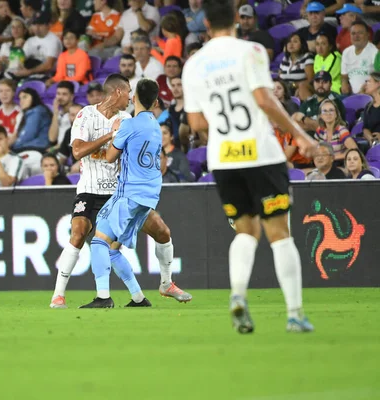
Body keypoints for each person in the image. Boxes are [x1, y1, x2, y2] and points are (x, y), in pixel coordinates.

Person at [183, 0, 318, 333]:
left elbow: (197, 121)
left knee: (245, 231)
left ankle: (238, 295)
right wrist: (300, 135)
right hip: (261, 155)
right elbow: (263, 98)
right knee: (278, 233)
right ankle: (294, 313)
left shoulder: (193, 65)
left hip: (224, 158)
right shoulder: (251, 51)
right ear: (235, 20)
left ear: (206, 25)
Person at [49, 74, 190, 309]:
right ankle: (58, 295)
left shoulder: (128, 119)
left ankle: (148, 292)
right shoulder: (86, 115)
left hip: (119, 192)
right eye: (128, 92)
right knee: (79, 232)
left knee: (160, 232)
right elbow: (77, 152)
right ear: (117, 92)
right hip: (90, 189)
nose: (131, 97)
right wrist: (110, 135)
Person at [341, 21, 377, 95]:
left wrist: (365, 90)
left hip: (370, 94)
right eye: (353, 33)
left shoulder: (375, 52)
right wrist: (344, 84)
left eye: (360, 33)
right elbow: (344, 75)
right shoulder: (346, 52)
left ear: (368, 35)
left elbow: (377, 77)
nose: (356, 36)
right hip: (351, 94)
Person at [12, 88, 52, 152]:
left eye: (25, 97)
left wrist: (13, 145)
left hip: (38, 147)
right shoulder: (33, 111)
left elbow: (28, 135)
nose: (21, 101)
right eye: (20, 98)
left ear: (33, 97)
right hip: (34, 146)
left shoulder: (36, 111)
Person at [279, 33, 314, 98]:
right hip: (285, 91)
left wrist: (295, 85)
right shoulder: (285, 59)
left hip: (299, 90)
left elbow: (310, 80)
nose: (291, 44)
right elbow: (279, 78)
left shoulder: (307, 57)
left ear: (302, 44)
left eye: (295, 41)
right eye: (289, 42)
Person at [362, 71, 380, 146]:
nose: (365, 84)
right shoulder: (368, 106)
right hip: (372, 141)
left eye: (368, 81)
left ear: (378, 83)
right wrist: (371, 139)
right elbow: (365, 128)